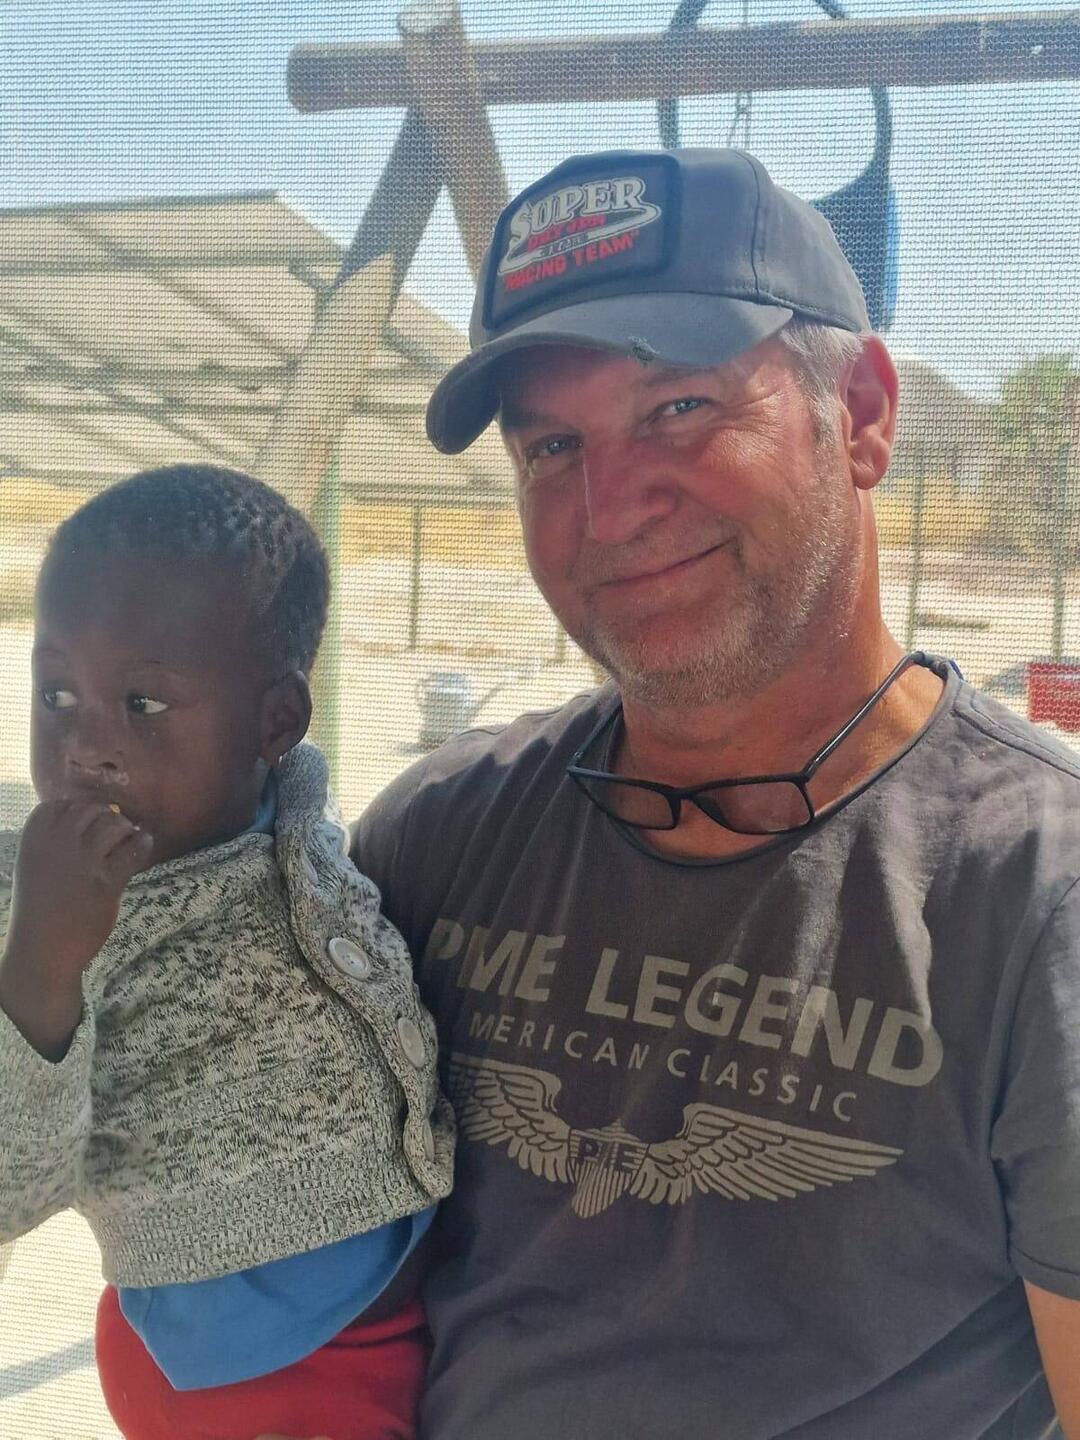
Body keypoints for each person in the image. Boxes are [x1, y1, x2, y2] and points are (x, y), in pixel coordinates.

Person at [345, 148, 1080, 1438]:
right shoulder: (435, 839)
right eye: (550, 445)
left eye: (679, 407)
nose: (608, 508)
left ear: (862, 415)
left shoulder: (1037, 897)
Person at [0, 464, 454, 1440]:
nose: (86, 746)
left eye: (142, 704)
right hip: (240, 1372)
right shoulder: (31, 898)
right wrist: (40, 967)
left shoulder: (292, 818)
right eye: (56, 693)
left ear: (275, 722)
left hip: (387, 1317)